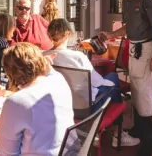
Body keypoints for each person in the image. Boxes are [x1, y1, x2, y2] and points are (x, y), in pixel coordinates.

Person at [44, 18, 140, 148]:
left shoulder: (43, 57)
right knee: (112, 79)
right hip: (85, 109)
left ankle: (109, 133)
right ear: (68, 34)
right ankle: (118, 134)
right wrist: (110, 82)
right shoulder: (77, 57)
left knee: (110, 82)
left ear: (49, 35)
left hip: (59, 105)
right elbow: (96, 81)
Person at [98, 0, 152, 156]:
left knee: (143, 91)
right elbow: (127, 28)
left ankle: (150, 140)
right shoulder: (126, 2)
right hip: (134, 48)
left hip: (146, 48)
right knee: (136, 89)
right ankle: (139, 130)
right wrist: (111, 35)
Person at [0, 42, 76, 156]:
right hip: (69, 152)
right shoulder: (59, 79)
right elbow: (50, 72)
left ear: (9, 73)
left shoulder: (16, 101)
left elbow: (5, 154)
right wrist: (41, 62)